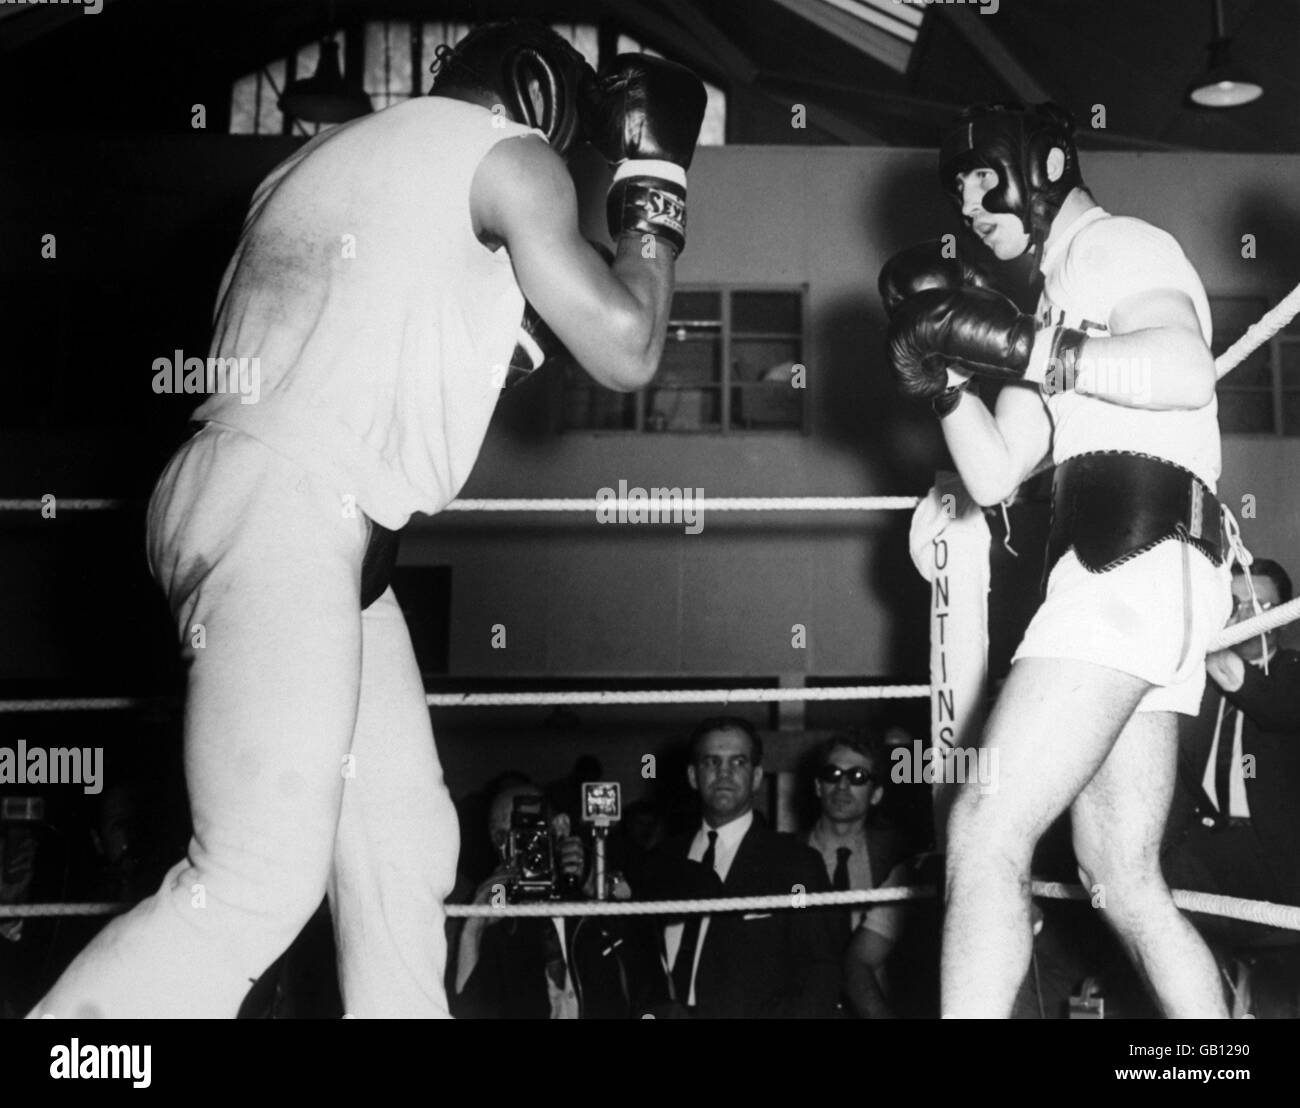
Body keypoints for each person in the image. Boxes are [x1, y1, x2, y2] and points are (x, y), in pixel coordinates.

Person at [30, 20, 706, 1018]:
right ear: (538, 101)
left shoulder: (317, 165)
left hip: (276, 509)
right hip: (293, 513)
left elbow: (380, 348)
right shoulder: (509, 157)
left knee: (402, 844)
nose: (563, 174)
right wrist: (654, 176)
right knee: (256, 882)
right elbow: (629, 349)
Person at [882, 102, 1233, 1017]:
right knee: (1120, 874)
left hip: (1130, 557)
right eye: (953, 189)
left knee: (985, 826)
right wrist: (946, 376)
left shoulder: (1115, 246)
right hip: (1143, 570)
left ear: (1038, 162)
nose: (968, 204)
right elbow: (996, 476)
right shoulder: (1053, 299)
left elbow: (1186, 369)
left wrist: (1028, 346)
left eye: (979, 176)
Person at [639, 716, 841, 1018]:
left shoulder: (796, 864)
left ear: (757, 777)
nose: (724, 773)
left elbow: (820, 973)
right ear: (693, 776)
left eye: (738, 763)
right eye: (711, 762)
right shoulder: (660, 860)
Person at [1165, 559, 1300, 916]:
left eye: (1258, 607)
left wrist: (1204, 640)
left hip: (1276, 856)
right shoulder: (1195, 686)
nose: (1241, 618)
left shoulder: (1292, 673)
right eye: (1232, 605)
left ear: (1283, 618)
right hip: (1200, 846)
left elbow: (1275, 707)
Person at [449, 776, 646, 1019]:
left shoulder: (594, 898)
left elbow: (648, 974)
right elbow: (465, 1011)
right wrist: (473, 928)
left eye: (533, 829)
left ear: (560, 826)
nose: (523, 845)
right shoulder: (495, 917)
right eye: (504, 836)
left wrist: (601, 889)